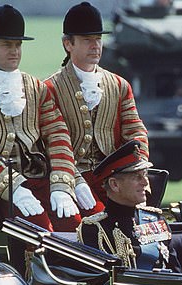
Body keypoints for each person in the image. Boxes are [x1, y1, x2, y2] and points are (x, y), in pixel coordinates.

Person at [0, 4, 80, 232]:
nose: (15, 51)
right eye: (6, 45)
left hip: (40, 180)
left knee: (75, 225)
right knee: (39, 230)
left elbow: (58, 135)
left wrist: (61, 184)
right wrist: (13, 188)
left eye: (18, 45)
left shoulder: (38, 88)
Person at [44, 1, 149, 221]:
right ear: (68, 44)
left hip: (113, 181)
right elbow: (47, 145)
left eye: (98, 39)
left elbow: (136, 134)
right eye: (87, 40)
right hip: (68, 180)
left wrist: (135, 173)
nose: (95, 46)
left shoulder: (119, 86)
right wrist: (71, 179)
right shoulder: (49, 89)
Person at [77, 141, 180, 272]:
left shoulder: (156, 219)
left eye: (145, 174)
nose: (145, 182)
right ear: (114, 184)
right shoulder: (94, 229)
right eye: (137, 177)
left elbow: (177, 274)